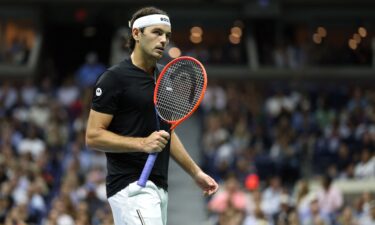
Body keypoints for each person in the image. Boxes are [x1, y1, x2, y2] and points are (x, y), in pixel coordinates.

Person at [85, 6, 219, 225]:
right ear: (136, 34)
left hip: (158, 187)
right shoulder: (113, 79)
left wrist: (196, 173)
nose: (164, 40)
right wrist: (142, 143)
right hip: (131, 187)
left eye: (167, 35)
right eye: (156, 32)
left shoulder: (164, 77)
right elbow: (92, 137)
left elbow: (166, 133)